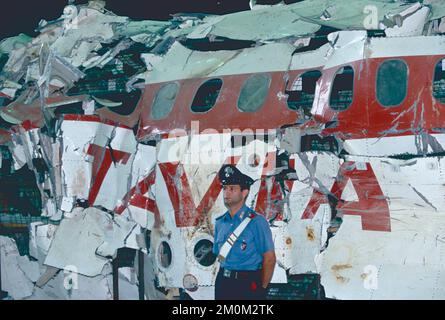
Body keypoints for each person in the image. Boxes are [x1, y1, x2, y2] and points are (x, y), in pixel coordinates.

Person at [213, 164, 276, 300]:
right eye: (224, 188)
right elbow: (219, 256)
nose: (226, 193)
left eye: (232, 189)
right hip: (223, 282)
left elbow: (269, 259)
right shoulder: (220, 223)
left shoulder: (256, 222)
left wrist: (261, 290)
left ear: (244, 192)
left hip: (247, 284)